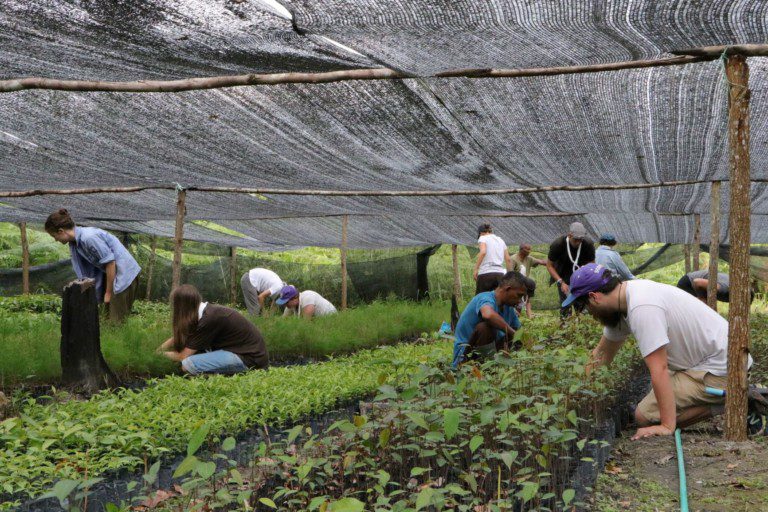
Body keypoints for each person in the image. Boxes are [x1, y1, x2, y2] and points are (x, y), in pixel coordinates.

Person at [562, 263, 752, 440]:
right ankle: (730, 396)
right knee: (656, 400)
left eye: (583, 306)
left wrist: (666, 426)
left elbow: (659, 368)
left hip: (722, 367)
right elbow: (601, 356)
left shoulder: (642, 307)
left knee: (644, 416)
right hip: (705, 360)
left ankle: (736, 401)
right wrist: (570, 400)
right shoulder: (624, 298)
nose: (588, 313)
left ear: (594, 297)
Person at [45, 209, 141, 323]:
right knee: (104, 318)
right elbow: (87, 271)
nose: (55, 240)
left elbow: (110, 263)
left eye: (54, 236)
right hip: (112, 275)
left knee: (116, 322)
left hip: (123, 275)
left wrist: (108, 293)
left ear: (61, 231)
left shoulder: (88, 238)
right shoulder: (75, 243)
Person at [157, 284, 268, 375]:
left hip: (249, 359)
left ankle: (215, 376)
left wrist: (158, 355)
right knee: (194, 356)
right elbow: (179, 336)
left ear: (181, 307)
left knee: (188, 364)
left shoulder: (210, 319)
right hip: (243, 352)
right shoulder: (204, 312)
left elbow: (183, 356)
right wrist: (159, 349)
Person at [451, 271, 530, 368]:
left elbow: (519, 332)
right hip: (466, 356)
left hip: (491, 350)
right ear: (508, 289)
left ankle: (499, 364)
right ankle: (488, 368)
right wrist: (512, 332)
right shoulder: (485, 298)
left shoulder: (509, 309)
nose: (519, 301)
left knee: (514, 333)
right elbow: (488, 315)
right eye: (519, 295)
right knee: (485, 327)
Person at [546, 222, 596, 318]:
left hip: (580, 277)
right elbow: (549, 265)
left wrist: (586, 274)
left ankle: (581, 325)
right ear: (569, 235)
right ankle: (565, 325)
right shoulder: (558, 244)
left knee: (581, 306)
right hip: (562, 276)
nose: (578, 243)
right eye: (575, 240)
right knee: (565, 305)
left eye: (580, 240)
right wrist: (561, 282)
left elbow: (592, 264)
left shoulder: (587, 244)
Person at [473, 223, 512, 294]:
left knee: (482, 299)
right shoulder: (501, 240)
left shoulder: (483, 238)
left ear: (481, 233)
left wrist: (476, 269)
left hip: (485, 274)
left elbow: (483, 252)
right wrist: (509, 276)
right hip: (500, 275)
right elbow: (508, 259)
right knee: (498, 301)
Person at [510, 243, 547, 318]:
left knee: (527, 298)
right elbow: (510, 273)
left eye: (530, 249)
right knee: (517, 301)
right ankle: (515, 317)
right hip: (514, 283)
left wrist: (552, 262)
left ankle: (528, 316)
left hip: (525, 284)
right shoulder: (513, 259)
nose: (529, 251)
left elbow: (541, 262)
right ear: (521, 250)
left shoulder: (528, 258)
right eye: (527, 249)